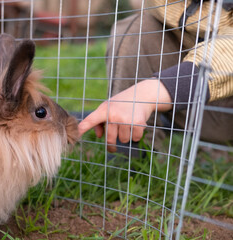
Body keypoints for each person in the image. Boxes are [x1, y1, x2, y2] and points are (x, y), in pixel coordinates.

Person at [78, 0, 233, 152]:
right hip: (194, 105)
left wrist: (150, 92)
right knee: (136, 30)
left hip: (225, 107)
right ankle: (132, 161)